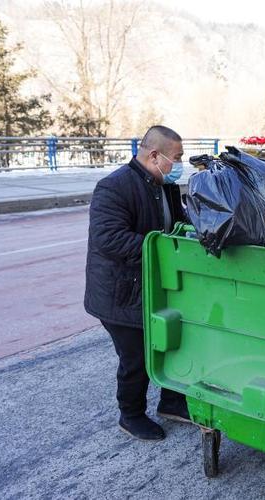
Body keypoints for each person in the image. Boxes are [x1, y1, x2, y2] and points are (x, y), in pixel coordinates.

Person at [84, 125, 190, 441]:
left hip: (153, 286)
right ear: (154, 155)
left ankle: (171, 402)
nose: (179, 164)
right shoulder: (114, 187)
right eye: (177, 157)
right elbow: (109, 238)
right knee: (136, 358)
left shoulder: (164, 184)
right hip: (121, 292)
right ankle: (130, 415)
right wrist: (162, 249)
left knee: (170, 344)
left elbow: (176, 222)